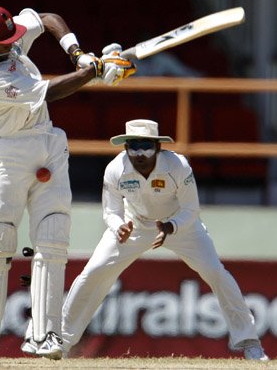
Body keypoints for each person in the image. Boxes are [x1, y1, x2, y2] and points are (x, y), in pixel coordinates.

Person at [0, 4, 136, 359]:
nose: (13, 45)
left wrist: (79, 54)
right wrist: (96, 71)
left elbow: (49, 19)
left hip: (48, 142)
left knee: (53, 237)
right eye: (4, 43)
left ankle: (45, 336)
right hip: (10, 152)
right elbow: (50, 92)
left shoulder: (2, 41)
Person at [60, 119, 269, 361]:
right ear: (125, 147)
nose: (140, 153)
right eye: (133, 146)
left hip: (180, 224)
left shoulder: (178, 165)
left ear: (158, 147)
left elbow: (191, 209)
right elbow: (111, 212)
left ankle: (249, 341)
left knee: (215, 272)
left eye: (146, 146)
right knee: (93, 272)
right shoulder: (115, 169)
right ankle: (62, 342)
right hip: (134, 224)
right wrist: (119, 228)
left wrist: (171, 226)